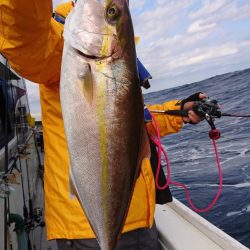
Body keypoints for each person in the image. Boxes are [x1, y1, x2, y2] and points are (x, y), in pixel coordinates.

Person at [0, 1, 205, 249]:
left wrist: (177, 113)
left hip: (139, 217)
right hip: (86, 227)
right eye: (111, 10)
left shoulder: (113, 53)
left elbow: (125, 122)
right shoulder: (56, 36)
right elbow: (22, 35)